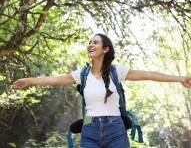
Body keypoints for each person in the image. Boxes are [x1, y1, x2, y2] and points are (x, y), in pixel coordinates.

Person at [12, 33, 191, 148]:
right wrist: (28, 80)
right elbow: (53, 80)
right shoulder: (81, 74)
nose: (90, 44)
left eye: (95, 42)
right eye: (89, 42)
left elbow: (149, 74)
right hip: (89, 130)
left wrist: (180, 79)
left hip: (116, 130)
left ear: (105, 49)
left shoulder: (116, 72)